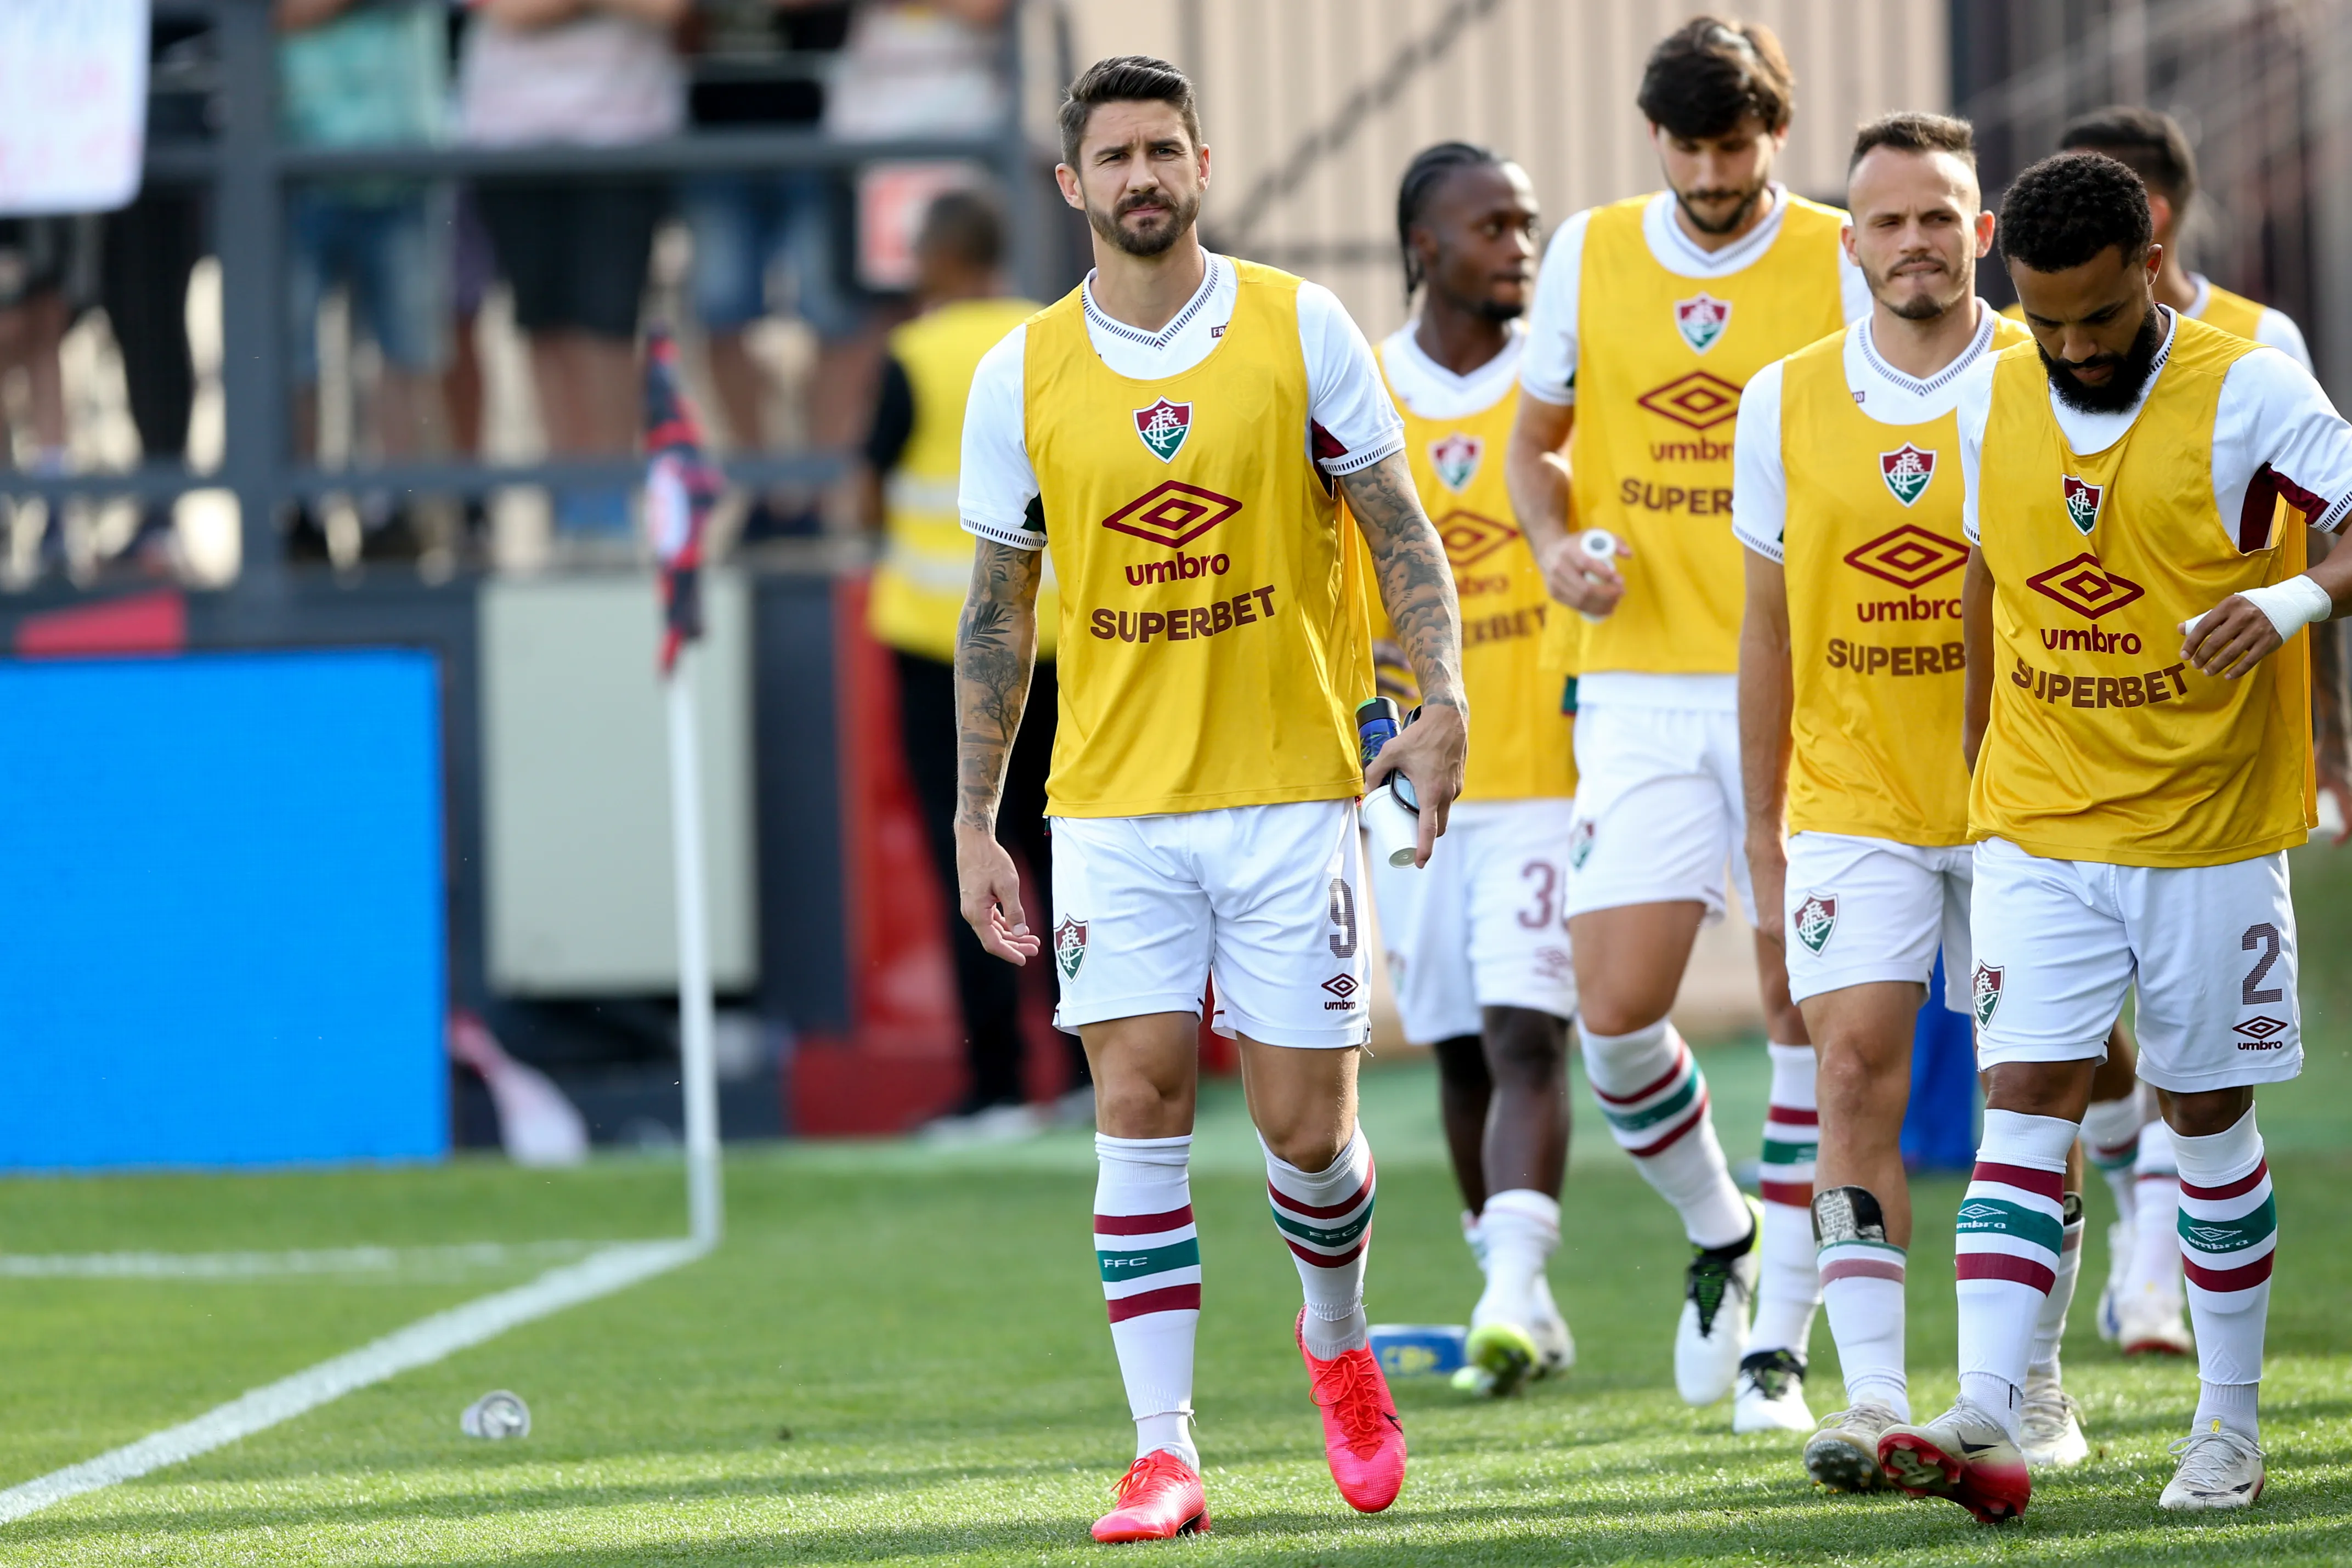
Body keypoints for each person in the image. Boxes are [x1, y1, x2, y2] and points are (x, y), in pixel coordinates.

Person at [952, 56, 1463, 1543]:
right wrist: (977, 818)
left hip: (1290, 791)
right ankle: (1161, 1451)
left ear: (1201, 165)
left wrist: (1440, 698)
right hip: (1111, 804)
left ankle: (1336, 1340)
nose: (1141, 177)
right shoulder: (1021, 371)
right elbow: (997, 609)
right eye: (1114, 156)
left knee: (1306, 1129)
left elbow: (1399, 529)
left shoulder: (1302, 326)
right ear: (1073, 183)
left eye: (1162, 151)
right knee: (1138, 1104)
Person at [1877, 149, 2352, 1521]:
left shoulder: (2249, 387)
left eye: (2097, 315)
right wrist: (1978, 745)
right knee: (2024, 1095)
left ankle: (2226, 1423)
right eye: (2045, 320)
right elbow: (1986, 568)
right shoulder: (1991, 388)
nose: (2073, 347)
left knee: (2202, 1114)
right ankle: (1986, 1403)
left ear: (2150, 263)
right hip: (2036, 815)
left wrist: (2289, 604)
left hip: (2205, 827)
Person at [1502, 15, 1869, 1432]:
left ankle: (1779, 1342)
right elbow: (1535, 446)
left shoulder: (1840, 252)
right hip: (1639, 686)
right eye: (1690, 148)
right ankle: (1725, 1227)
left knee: (1795, 1008)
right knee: (1612, 1014)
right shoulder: (1591, 251)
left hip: (1805, 681)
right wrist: (1555, 545)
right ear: (1653, 138)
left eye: (1737, 146)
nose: (1713, 175)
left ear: (1775, 133)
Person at [1734, 111, 2086, 1489]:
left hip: (2024, 804)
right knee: (1848, 1073)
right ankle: (1872, 1395)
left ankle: (2028, 1385)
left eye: (1938, 215)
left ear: (1981, 231)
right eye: (1886, 220)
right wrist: (1763, 834)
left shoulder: (2041, 377)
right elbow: (1765, 631)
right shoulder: (1781, 398)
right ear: (1850, 242)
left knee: (2028, 1095)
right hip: (1851, 799)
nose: (1914, 241)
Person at [2034, 104, 2350, 1362]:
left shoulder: (2254, 353)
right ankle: (2127, 1226)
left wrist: (2325, 739)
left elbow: (2311, 546)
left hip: (2212, 780)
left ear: (2149, 228)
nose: (2068, 336)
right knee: (2060, 1058)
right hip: (2057, 780)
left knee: (2198, 1075)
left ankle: (2163, 1279)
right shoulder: (2024, 366)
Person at [1358, 143, 1576, 1398]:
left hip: (1543, 771)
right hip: (1404, 780)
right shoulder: (1362, 391)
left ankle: (1503, 1293)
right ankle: (1518, 1292)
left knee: (1524, 1031)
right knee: (1451, 1044)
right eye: (1490, 225)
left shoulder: (1558, 387)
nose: (1517, 245)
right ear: (1421, 247)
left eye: (1526, 222)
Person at [860, 189, 1090, 1139]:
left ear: (938, 258)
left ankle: (997, 1083)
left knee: (972, 853)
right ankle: (1089, 1069)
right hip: (1056, 642)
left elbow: (864, 486)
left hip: (937, 647)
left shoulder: (913, 355)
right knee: (1068, 852)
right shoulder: (1052, 339)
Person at [457, 0, 688, 540]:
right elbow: (505, 12)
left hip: (625, 132)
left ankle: (610, 494)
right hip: (507, 133)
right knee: (542, 322)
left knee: (608, 323)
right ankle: (568, 493)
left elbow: (666, 9)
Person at [276, 0, 451, 563]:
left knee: (406, 355)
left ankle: (395, 514)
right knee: (290, 358)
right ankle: (299, 513)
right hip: (291, 152)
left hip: (403, 151)